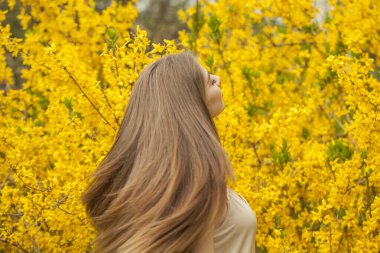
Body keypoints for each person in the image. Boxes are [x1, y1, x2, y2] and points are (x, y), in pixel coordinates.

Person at [81, 52, 257, 253]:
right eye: (209, 81)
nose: (218, 78)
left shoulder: (152, 183)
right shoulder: (195, 183)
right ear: (189, 103)